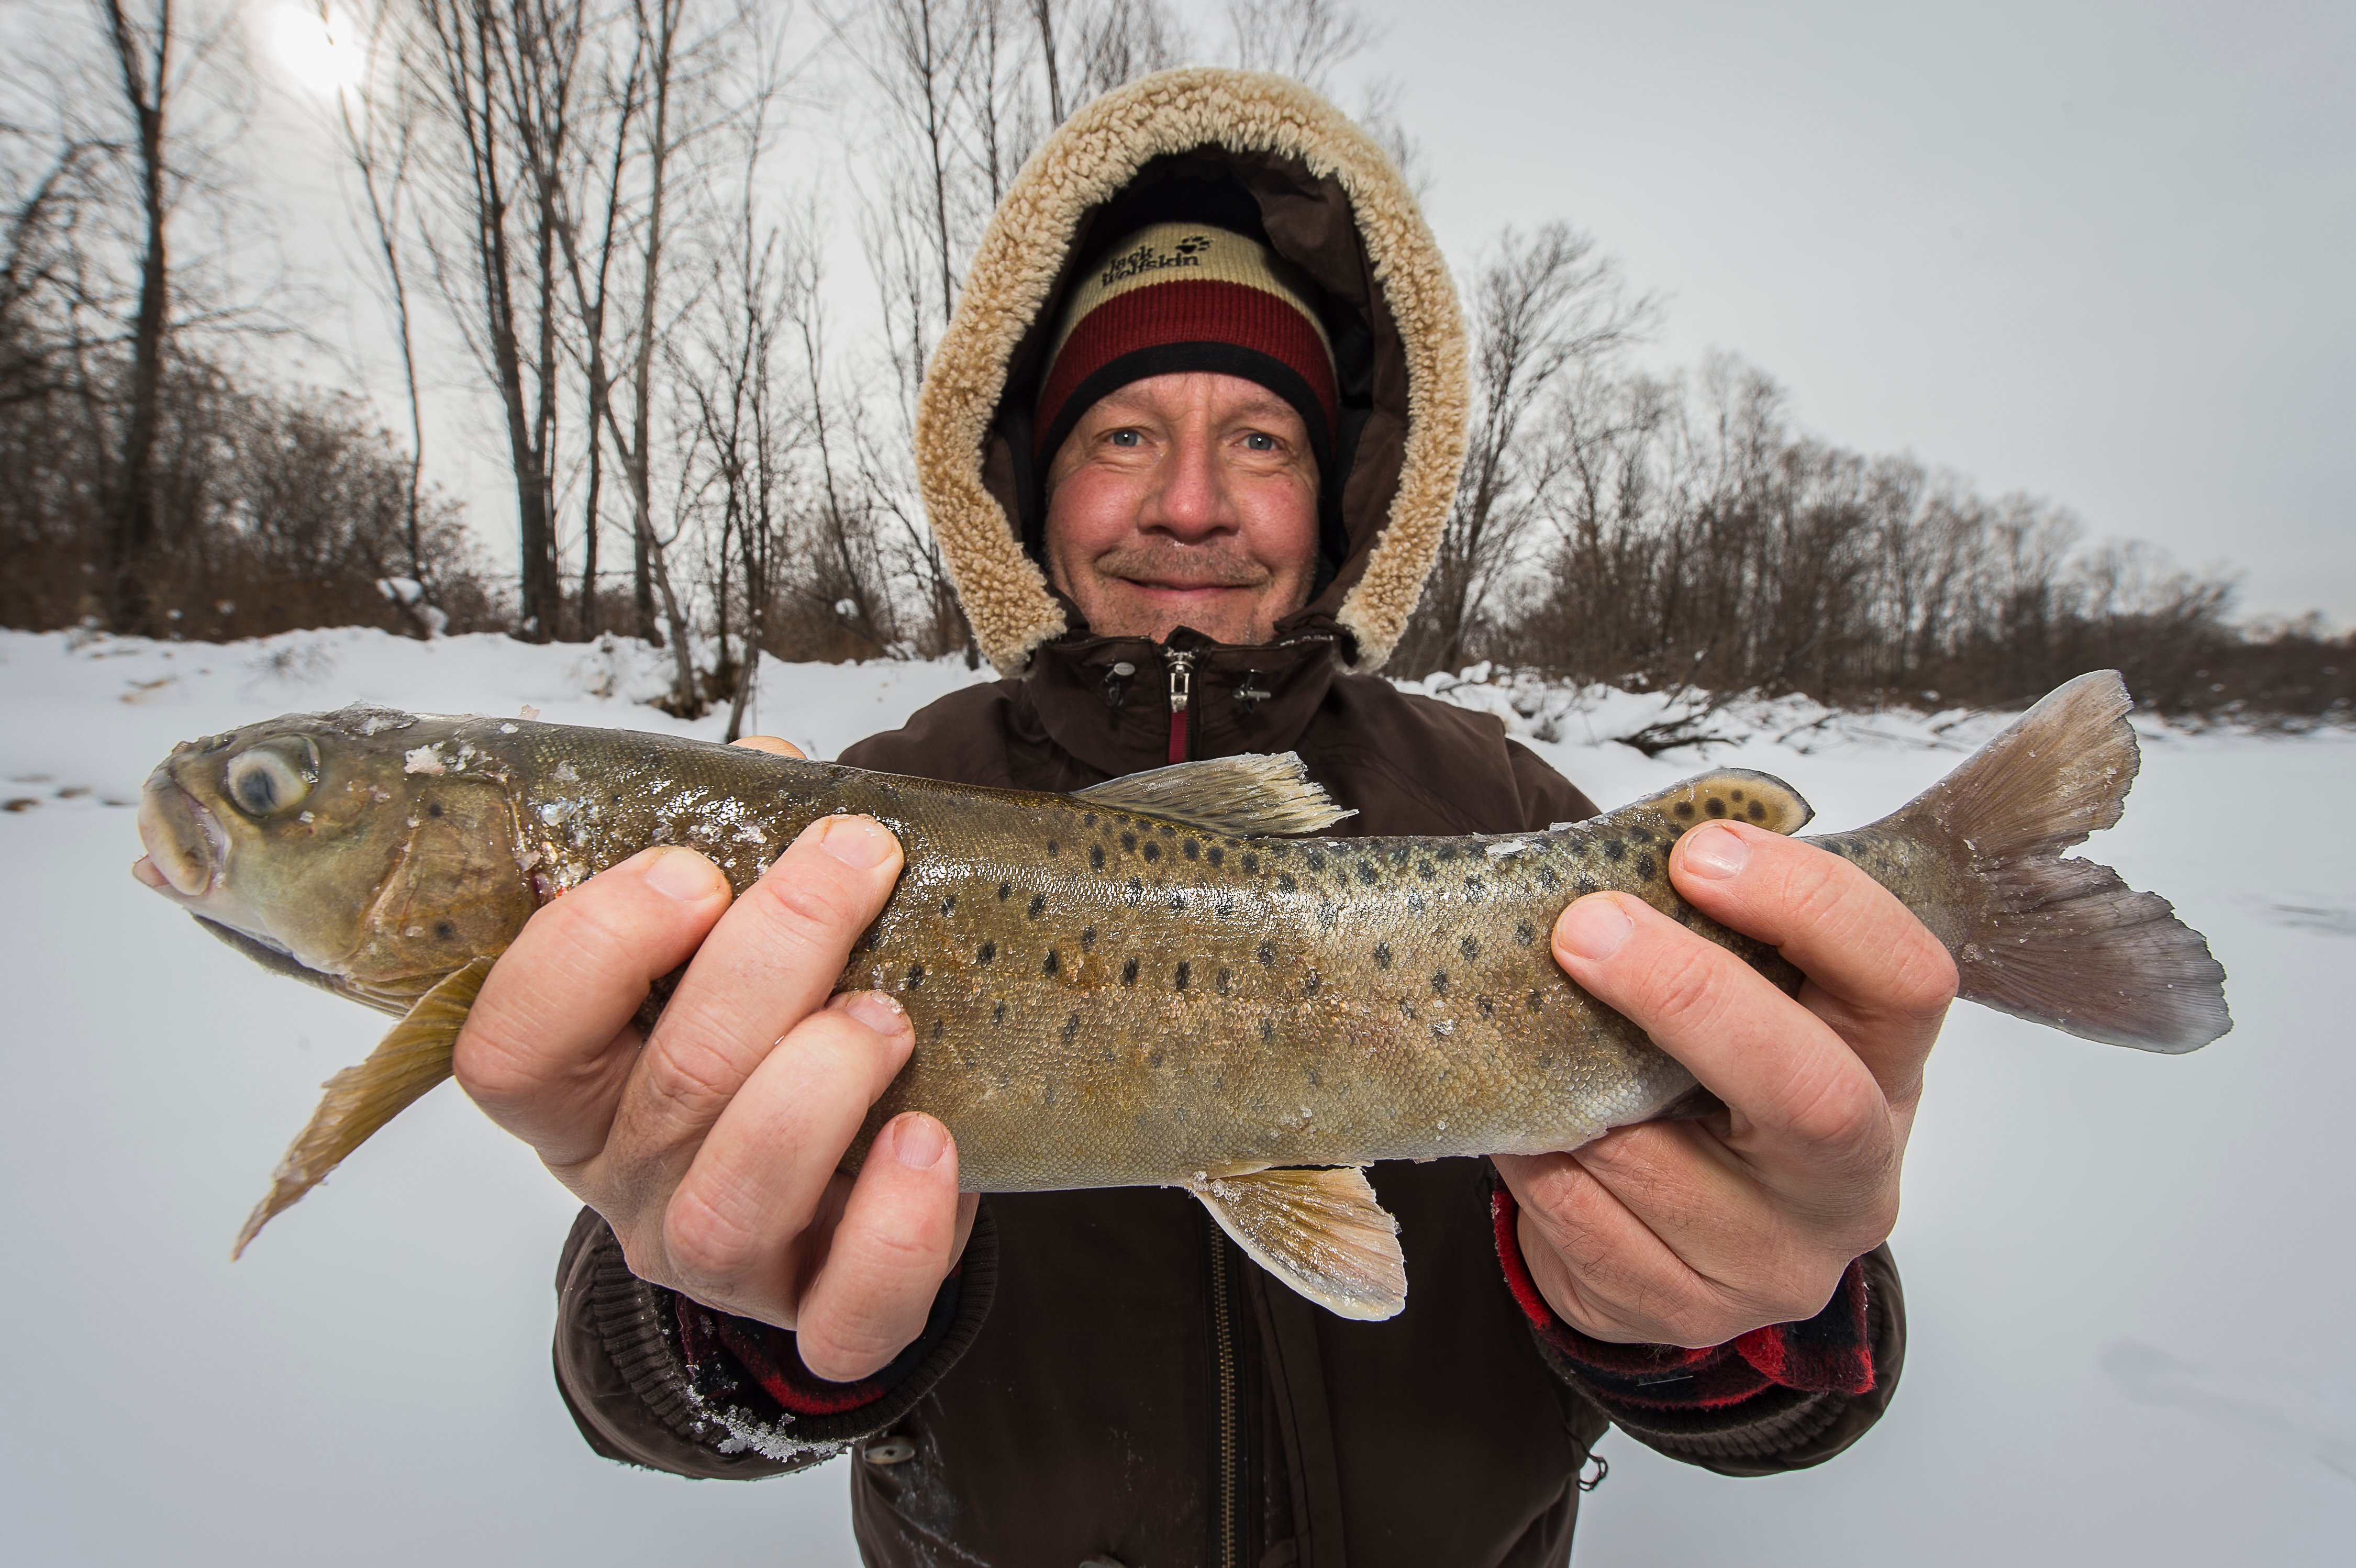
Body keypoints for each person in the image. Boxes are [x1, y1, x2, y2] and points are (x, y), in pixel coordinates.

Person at [452, 69, 1951, 1567]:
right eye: (1119, 435)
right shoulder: (861, 833)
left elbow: (1807, 1388)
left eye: (1260, 439)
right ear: (1026, 487)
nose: (1187, 503)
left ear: (1340, 495)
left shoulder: (1502, 809)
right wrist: (724, 1316)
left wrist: (1744, 1316)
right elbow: (633, 1400)